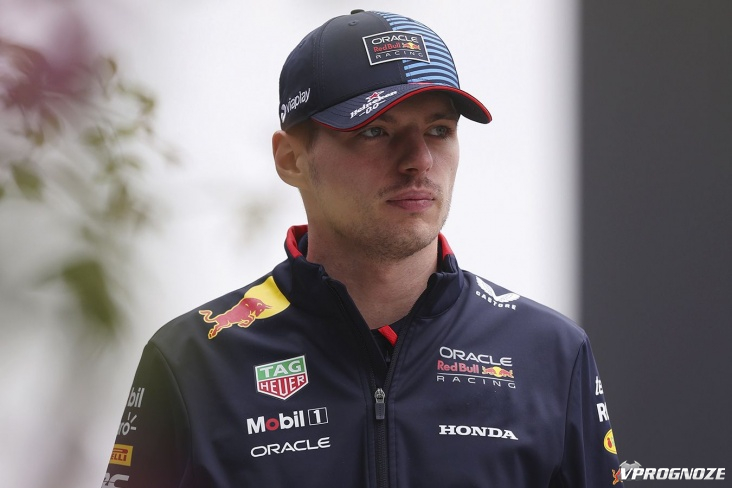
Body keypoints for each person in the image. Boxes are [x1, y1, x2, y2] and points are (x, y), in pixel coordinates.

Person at [103, 10, 623, 488]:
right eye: (376, 130)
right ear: (291, 159)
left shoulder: (551, 354)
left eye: (439, 130)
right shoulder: (193, 361)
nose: (419, 160)